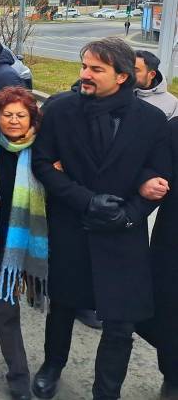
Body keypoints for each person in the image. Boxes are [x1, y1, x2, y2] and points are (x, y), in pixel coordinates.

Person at [31, 37, 170, 400]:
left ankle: (106, 392)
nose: (85, 75)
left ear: (122, 76)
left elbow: (158, 177)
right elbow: (43, 164)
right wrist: (87, 201)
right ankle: (52, 366)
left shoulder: (153, 121)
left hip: (123, 235)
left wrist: (128, 216)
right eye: (84, 67)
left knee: (121, 325)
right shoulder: (61, 110)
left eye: (96, 69)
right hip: (74, 225)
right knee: (62, 306)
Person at [0, 86, 47, 400]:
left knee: (1, 297)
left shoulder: (43, 149)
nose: (13, 121)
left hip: (20, 239)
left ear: (32, 120)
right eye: (7, 114)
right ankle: (19, 377)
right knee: (6, 306)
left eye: (21, 115)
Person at [137, 118, 178, 398]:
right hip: (174, 238)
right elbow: (152, 167)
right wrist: (145, 182)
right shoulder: (175, 129)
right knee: (170, 307)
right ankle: (173, 377)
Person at [134, 50, 178, 119]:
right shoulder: (118, 93)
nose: (129, 73)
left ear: (152, 75)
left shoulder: (172, 104)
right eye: (128, 68)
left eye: (135, 70)